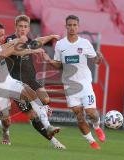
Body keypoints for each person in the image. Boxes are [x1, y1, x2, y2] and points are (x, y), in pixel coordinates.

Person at [0, 22, 62, 147]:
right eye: (1, 35)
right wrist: (17, 42)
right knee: (6, 121)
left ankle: (48, 126)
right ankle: (5, 131)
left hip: (8, 82)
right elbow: (2, 55)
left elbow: (18, 52)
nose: (3, 38)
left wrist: (33, 51)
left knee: (28, 90)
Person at [42, 15, 105, 149]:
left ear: (78, 27)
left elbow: (96, 61)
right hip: (70, 86)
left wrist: (99, 58)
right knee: (79, 115)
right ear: (66, 27)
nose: (72, 27)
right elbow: (59, 65)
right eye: (69, 25)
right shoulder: (60, 44)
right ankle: (91, 141)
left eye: (74, 25)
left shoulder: (85, 43)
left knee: (91, 112)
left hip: (85, 83)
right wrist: (48, 59)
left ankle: (97, 126)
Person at [5, 15, 65, 149]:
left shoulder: (29, 40)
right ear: (16, 26)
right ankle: (53, 141)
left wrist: (52, 36)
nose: (22, 29)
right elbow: (17, 51)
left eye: (25, 26)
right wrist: (34, 50)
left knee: (45, 99)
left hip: (31, 80)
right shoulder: (10, 40)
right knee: (32, 116)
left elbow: (39, 40)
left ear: (28, 28)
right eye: (20, 26)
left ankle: (46, 118)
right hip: (17, 84)